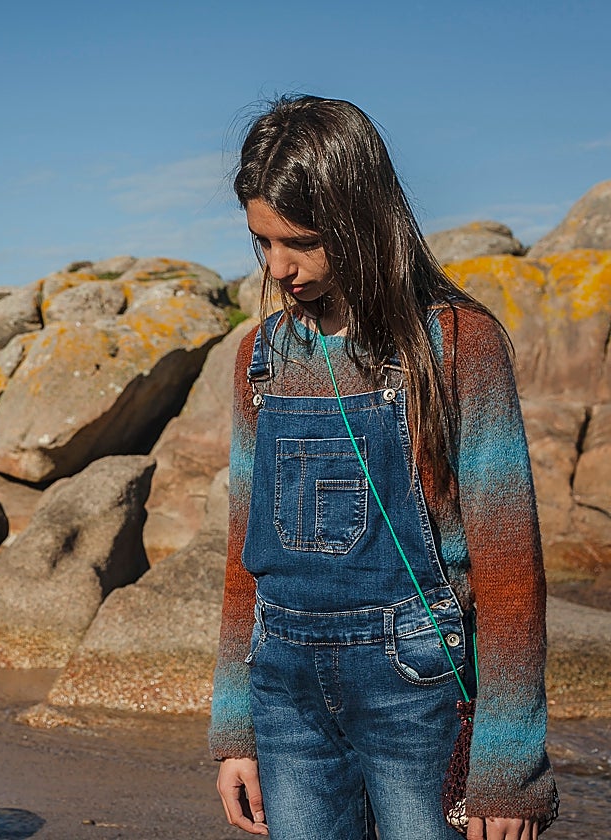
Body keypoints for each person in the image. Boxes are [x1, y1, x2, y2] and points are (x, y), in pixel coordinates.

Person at [208, 95, 557, 840]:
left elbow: (508, 567)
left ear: (361, 217)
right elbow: (246, 560)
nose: (279, 267)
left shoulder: (459, 344)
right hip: (285, 698)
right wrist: (235, 728)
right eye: (261, 242)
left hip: (420, 695)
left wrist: (509, 765)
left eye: (298, 241)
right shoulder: (259, 360)